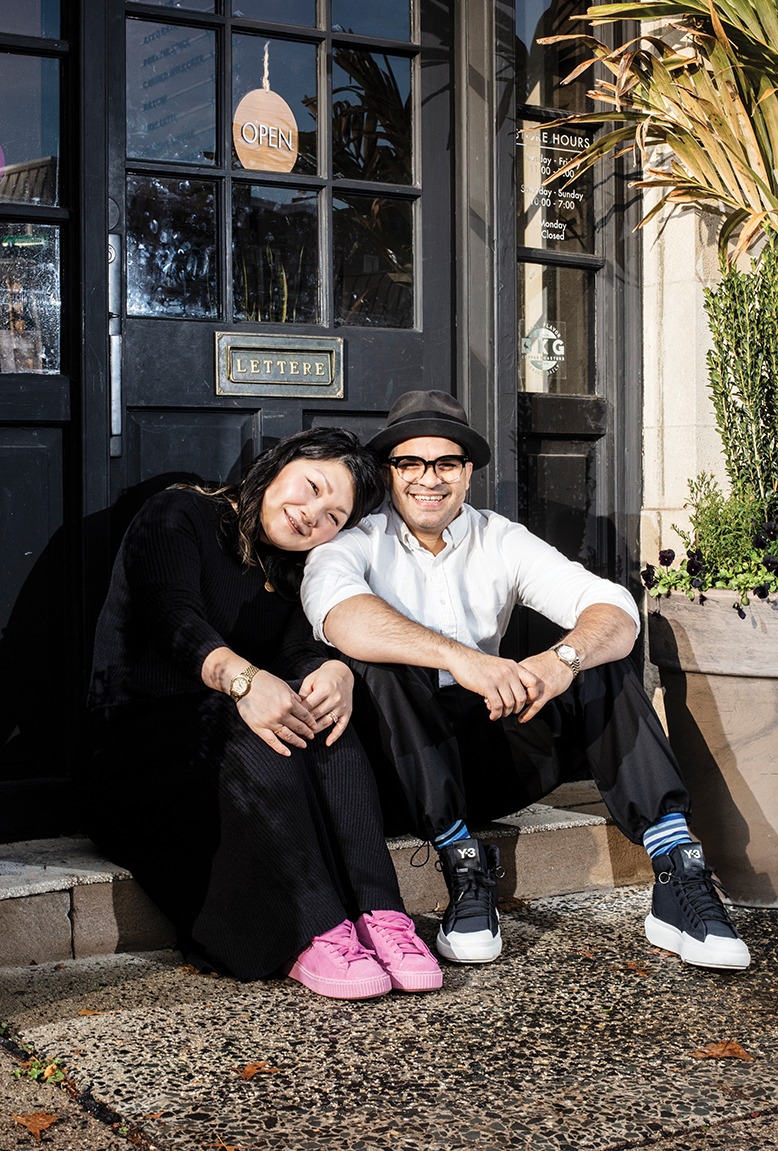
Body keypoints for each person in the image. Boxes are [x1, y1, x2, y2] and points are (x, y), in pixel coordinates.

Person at [301, 392, 751, 973]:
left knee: (597, 656)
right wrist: (462, 659)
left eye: (445, 464)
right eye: (410, 464)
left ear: (466, 474)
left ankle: (677, 867)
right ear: (389, 473)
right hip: (402, 771)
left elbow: (611, 606)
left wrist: (559, 660)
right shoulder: (352, 541)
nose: (427, 479)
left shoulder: (499, 537)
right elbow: (343, 615)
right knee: (380, 664)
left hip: (496, 756)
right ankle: (463, 862)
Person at [77, 427, 442, 999]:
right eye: (312, 486)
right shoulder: (179, 511)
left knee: (325, 721)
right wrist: (244, 680)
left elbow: (299, 648)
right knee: (257, 733)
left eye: (333, 516)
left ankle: (381, 914)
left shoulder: (294, 565)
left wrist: (334, 669)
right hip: (137, 745)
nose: (310, 515)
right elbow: (172, 617)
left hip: (224, 724)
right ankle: (311, 930)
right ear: (281, 462)